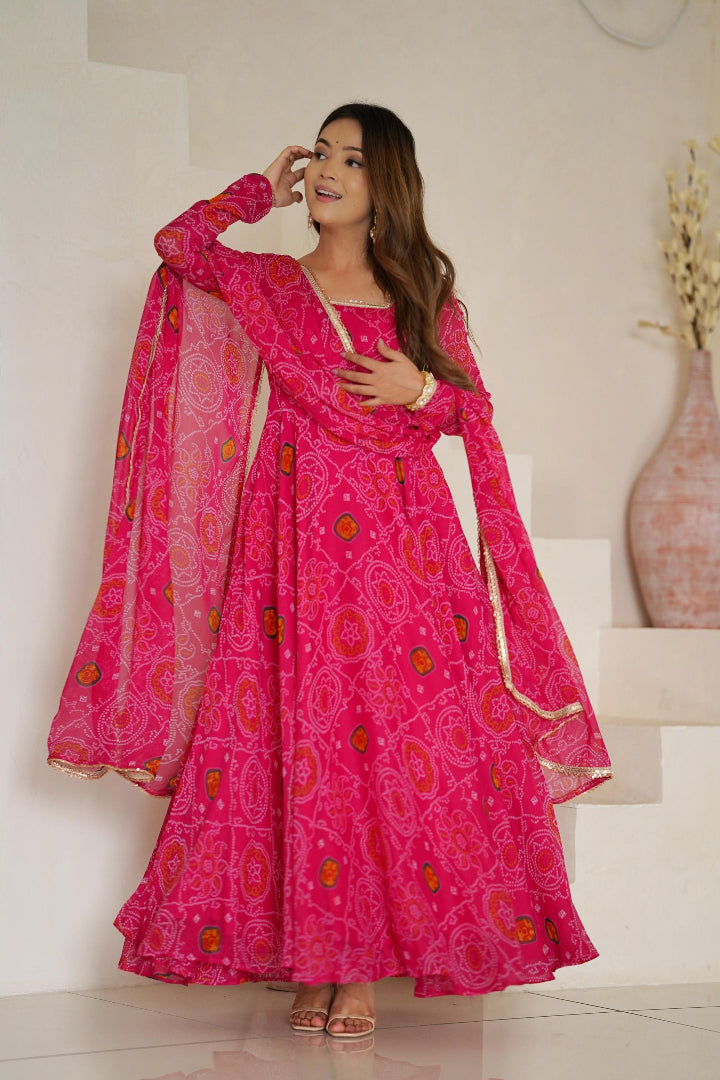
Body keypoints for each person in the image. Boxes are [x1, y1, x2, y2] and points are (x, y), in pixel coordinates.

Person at [47, 103, 612, 1039]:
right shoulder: (271, 283)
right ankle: (318, 960)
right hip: (292, 536)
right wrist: (251, 194)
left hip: (402, 545)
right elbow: (176, 245)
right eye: (320, 156)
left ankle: (360, 971)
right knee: (298, 738)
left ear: (386, 181)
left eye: (350, 159)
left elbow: (470, 415)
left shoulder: (422, 294)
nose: (327, 172)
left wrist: (419, 388)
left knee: (387, 742)